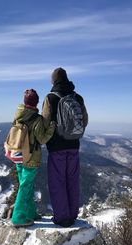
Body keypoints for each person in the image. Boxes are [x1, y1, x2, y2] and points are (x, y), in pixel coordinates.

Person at [42, 67, 88, 227]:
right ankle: (73, 214)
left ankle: (62, 217)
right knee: (73, 181)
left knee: (58, 182)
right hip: (74, 146)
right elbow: (85, 121)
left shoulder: (51, 98)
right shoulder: (78, 97)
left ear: (53, 80)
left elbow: (45, 122)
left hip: (56, 148)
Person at [11, 89, 56, 227]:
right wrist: (51, 128)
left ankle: (30, 213)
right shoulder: (37, 119)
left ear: (25, 101)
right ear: (36, 102)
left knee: (27, 186)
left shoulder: (18, 115)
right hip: (31, 157)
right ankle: (18, 217)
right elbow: (41, 139)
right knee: (25, 187)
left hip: (18, 155)